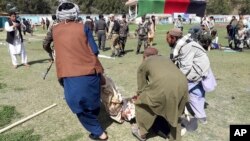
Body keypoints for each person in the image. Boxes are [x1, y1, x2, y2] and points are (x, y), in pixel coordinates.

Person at [43, 2, 108, 140]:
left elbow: (45, 44)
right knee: (92, 100)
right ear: (76, 13)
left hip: (70, 74)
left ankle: (99, 133)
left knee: (77, 104)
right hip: (92, 71)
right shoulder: (83, 27)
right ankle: (95, 122)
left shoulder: (54, 29)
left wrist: (52, 53)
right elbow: (95, 50)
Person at [132, 47, 188, 141]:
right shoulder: (166, 59)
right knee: (176, 114)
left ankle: (142, 133)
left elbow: (141, 88)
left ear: (144, 56)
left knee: (142, 104)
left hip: (166, 86)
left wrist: (140, 96)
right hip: (184, 85)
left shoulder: (145, 62)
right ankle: (175, 138)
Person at [166, 28, 210, 125]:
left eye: (169, 38)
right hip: (199, 69)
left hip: (197, 71)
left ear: (174, 37)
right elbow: (177, 59)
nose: (167, 40)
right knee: (197, 94)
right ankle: (201, 116)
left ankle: (175, 114)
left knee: (179, 91)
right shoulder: (182, 43)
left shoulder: (186, 46)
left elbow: (186, 67)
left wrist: (176, 78)